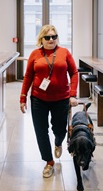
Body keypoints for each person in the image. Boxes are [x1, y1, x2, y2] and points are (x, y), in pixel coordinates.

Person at [19, 24, 79, 178]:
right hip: (39, 98)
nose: (51, 39)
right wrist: (23, 97)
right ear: (42, 39)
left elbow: (74, 73)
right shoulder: (35, 54)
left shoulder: (64, 52)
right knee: (41, 131)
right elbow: (28, 77)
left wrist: (73, 94)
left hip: (61, 98)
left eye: (54, 36)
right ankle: (49, 162)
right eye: (48, 37)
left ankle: (58, 142)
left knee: (59, 130)